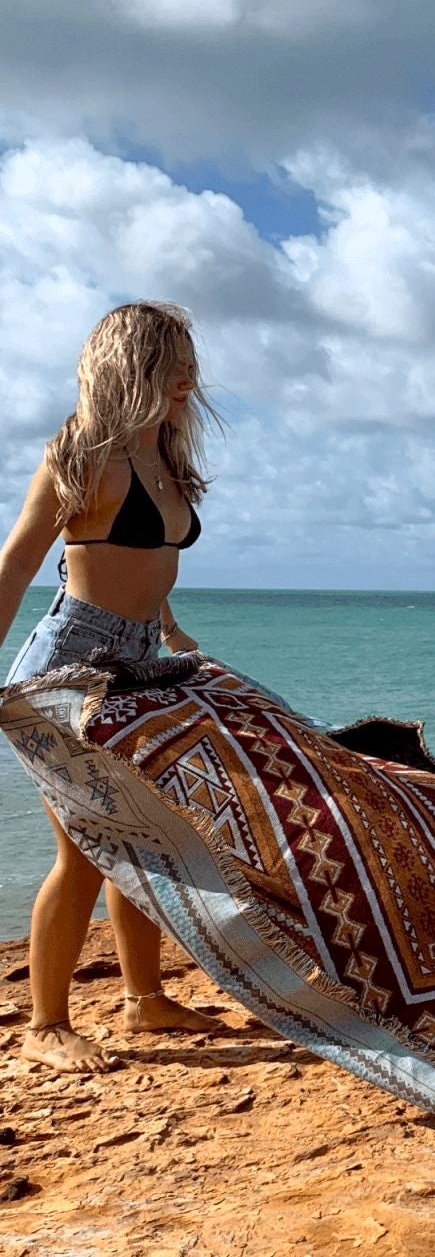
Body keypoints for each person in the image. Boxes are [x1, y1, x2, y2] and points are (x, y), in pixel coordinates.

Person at [0, 301, 229, 1073]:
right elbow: (23, 562)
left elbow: (146, 558)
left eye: (190, 362)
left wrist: (168, 624)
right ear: (132, 365)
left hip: (140, 662)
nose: (190, 379)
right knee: (86, 852)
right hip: (70, 667)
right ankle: (46, 1024)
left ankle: (144, 1000)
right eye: (174, 362)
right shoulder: (82, 455)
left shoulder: (163, 456)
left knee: (142, 838)